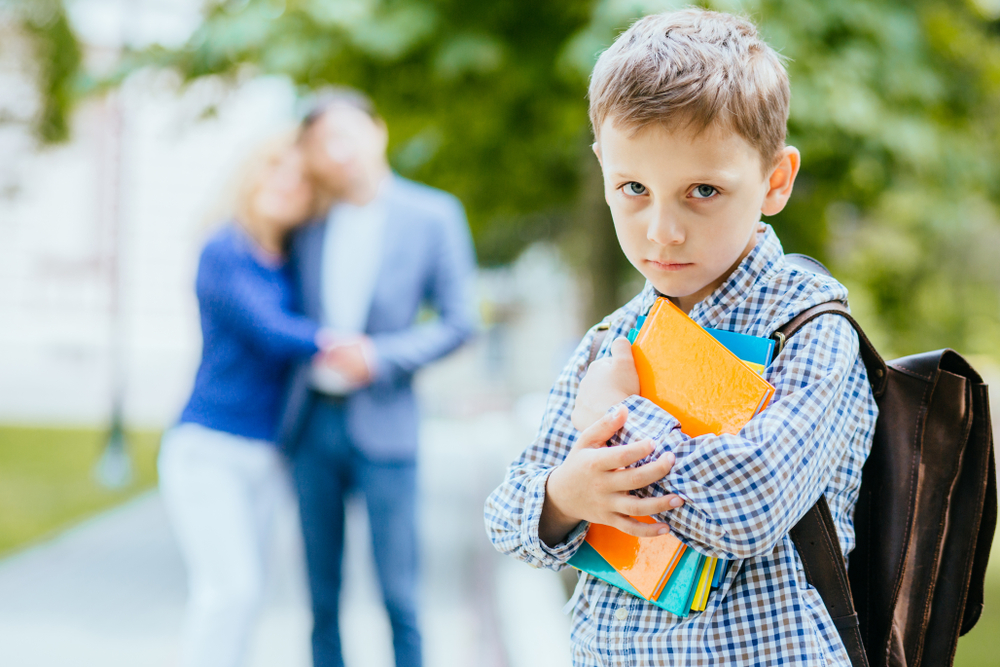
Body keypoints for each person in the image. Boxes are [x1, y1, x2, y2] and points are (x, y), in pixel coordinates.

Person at [485, 9, 878, 666]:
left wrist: (618, 416)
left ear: (775, 180)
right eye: (633, 188)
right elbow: (509, 509)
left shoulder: (809, 327)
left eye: (702, 190)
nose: (661, 230)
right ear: (603, 168)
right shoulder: (615, 338)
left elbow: (748, 503)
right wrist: (566, 495)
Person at [276, 89, 478, 667]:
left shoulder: (432, 215)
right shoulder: (306, 220)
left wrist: (381, 356)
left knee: (400, 594)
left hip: (386, 421)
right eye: (320, 142)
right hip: (311, 423)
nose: (336, 151)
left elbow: (461, 321)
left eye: (346, 133)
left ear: (378, 132)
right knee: (319, 596)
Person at [158, 133, 332, 667]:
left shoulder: (293, 260)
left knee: (247, 597)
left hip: (267, 454)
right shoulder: (223, 249)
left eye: (303, 178)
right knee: (226, 592)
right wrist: (338, 344)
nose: (287, 182)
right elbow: (270, 329)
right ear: (251, 174)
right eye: (275, 166)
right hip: (208, 450)